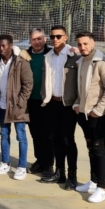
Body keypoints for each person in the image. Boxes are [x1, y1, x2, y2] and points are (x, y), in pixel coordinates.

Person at [71, 31, 105, 202]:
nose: (83, 47)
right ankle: (93, 181)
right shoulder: (81, 61)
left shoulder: (102, 63)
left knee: (100, 150)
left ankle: (102, 187)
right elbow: (80, 88)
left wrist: (98, 110)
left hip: (98, 115)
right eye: (80, 44)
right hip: (83, 114)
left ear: (93, 43)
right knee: (91, 149)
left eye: (86, 44)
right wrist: (76, 104)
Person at [40, 25, 81, 190]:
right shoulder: (48, 56)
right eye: (52, 37)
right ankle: (60, 172)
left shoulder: (73, 55)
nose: (55, 39)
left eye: (58, 36)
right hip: (52, 103)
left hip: (68, 105)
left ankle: (72, 176)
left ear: (66, 37)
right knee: (55, 138)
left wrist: (77, 102)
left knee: (68, 140)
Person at [0, 35, 33, 180]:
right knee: (3, 135)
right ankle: (5, 163)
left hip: (17, 106)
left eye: (4, 46)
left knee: (21, 136)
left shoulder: (21, 61)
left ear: (11, 45)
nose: (1, 49)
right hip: (1, 106)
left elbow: (28, 84)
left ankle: (21, 167)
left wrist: (20, 102)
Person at [26, 28, 54, 176]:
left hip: (47, 101)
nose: (37, 42)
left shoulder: (51, 54)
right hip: (31, 101)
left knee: (48, 134)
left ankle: (48, 164)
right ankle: (39, 161)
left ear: (44, 39)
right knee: (35, 133)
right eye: (34, 39)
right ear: (30, 41)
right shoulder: (26, 56)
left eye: (39, 39)